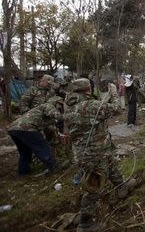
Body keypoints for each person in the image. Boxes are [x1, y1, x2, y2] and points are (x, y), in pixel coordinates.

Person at [64, 78, 136, 231]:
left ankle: (121, 187)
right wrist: (114, 93)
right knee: (94, 187)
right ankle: (85, 223)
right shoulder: (91, 105)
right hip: (94, 154)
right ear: (88, 89)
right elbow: (117, 109)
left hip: (90, 150)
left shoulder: (69, 106)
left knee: (111, 165)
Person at [8, 96, 64, 175]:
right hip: (27, 128)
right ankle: (54, 166)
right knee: (42, 147)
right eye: (60, 104)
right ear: (55, 102)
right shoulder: (48, 105)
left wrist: (59, 133)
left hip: (13, 129)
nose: (61, 107)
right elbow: (58, 116)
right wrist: (67, 116)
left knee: (25, 152)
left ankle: (23, 172)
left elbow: (48, 126)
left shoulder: (41, 113)